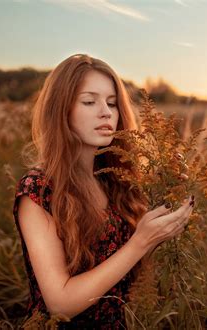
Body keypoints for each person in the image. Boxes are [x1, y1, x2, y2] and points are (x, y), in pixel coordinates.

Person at [12, 54, 194, 329]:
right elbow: (59, 303)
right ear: (61, 110)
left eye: (112, 103)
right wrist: (140, 242)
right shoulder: (37, 189)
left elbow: (127, 273)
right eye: (89, 101)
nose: (106, 112)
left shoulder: (113, 182)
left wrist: (166, 205)